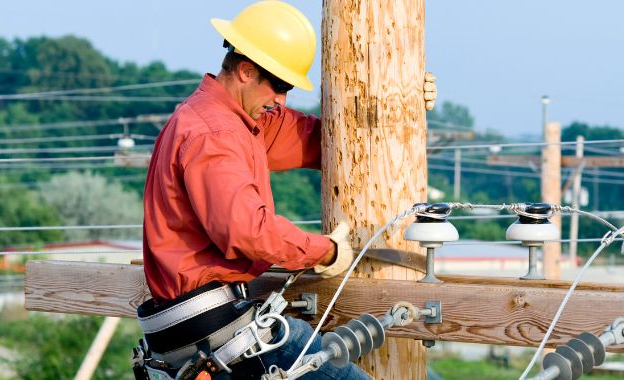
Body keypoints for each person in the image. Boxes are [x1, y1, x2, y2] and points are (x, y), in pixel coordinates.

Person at [136, 1, 440, 378]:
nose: (282, 99)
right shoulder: (214, 135)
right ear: (246, 71)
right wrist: (324, 251)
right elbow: (247, 231)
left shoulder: (236, 122)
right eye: (279, 85)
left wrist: (404, 101)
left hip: (206, 333)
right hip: (216, 332)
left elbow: (333, 138)